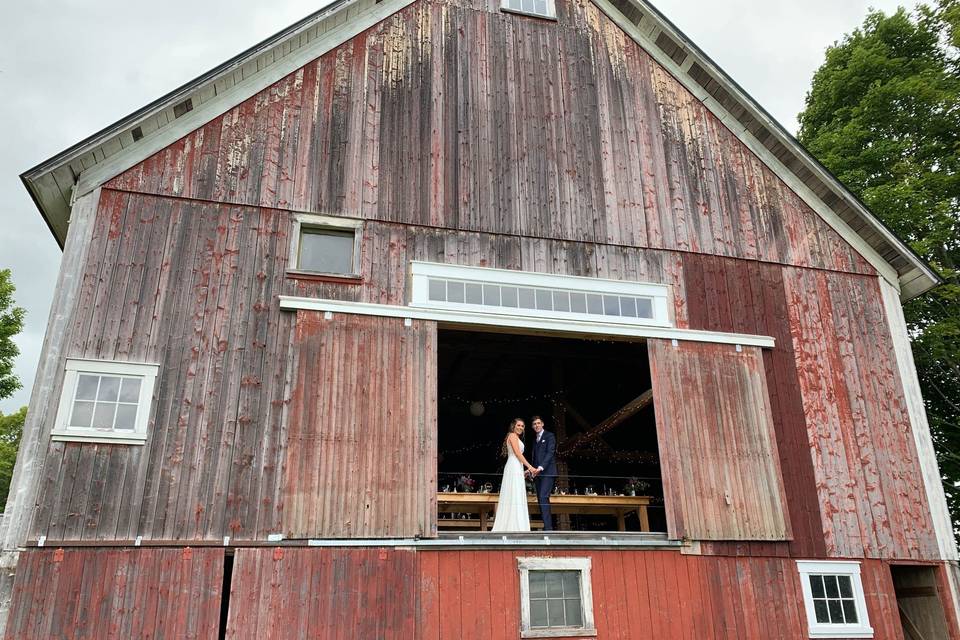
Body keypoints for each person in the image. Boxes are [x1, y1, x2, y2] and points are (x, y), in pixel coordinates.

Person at [492, 418, 538, 532]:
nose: (521, 428)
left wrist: (524, 471)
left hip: (517, 466)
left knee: (516, 493)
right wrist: (530, 467)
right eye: (519, 425)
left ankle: (517, 524)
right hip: (513, 464)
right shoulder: (512, 435)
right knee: (513, 493)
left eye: (523, 426)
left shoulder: (517, 437)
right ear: (513, 426)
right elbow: (517, 454)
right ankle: (513, 525)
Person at [529, 416, 557, 531]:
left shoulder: (549, 436)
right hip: (537, 474)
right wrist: (532, 470)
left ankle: (548, 528)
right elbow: (535, 458)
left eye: (538, 423)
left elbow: (550, 453)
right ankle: (547, 526)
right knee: (541, 499)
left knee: (543, 497)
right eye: (534, 424)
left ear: (543, 424)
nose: (537, 425)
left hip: (548, 472)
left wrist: (540, 467)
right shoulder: (534, 440)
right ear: (532, 426)